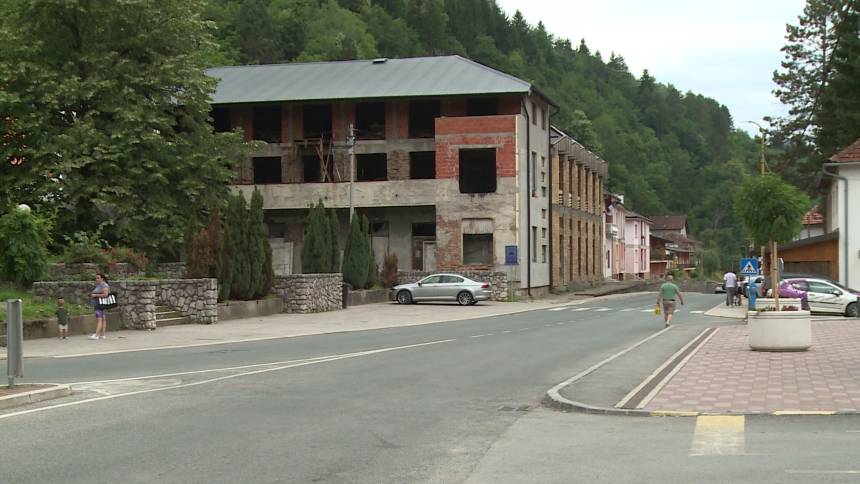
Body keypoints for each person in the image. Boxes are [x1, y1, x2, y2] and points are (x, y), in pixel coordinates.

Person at [86, 273, 110, 340]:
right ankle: (102, 334)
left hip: (100, 304)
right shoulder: (98, 285)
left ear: (102, 279)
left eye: (98, 278)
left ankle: (96, 334)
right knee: (103, 319)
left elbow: (105, 294)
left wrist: (96, 295)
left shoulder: (104, 285)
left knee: (99, 319)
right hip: (97, 303)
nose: (96, 279)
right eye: (96, 278)